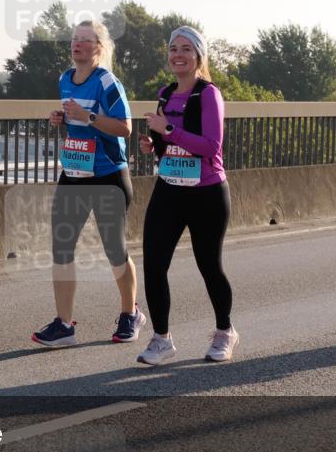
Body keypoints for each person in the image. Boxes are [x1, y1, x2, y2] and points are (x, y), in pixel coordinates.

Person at [32, 19, 145, 347]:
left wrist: (89, 118)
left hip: (108, 175)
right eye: (74, 39)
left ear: (98, 47)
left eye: (84, 40)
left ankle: (130, 313)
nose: (76, 44)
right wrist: (61, 119)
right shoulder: (66, 79)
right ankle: (64, 324)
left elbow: (125, 128)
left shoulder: (107, 82)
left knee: (114, 250)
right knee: (61, 247)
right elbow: (76, 121)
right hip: (74, 173)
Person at [136, 26, 237, 365]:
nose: (177, 54)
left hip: (206, 192)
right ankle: (161, 339)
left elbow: (211, 146)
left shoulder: (208, 94)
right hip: (169, 188)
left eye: (185, 49)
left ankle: (225, 332)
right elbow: (169, 143)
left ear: (198, 56)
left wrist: (169, 130)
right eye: (172, 48)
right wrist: (155, 145)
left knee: (209, 265)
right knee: (153, 263)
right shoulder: (166, 93)